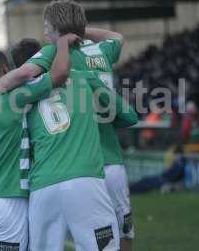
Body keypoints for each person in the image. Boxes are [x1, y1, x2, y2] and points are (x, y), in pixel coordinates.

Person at [0, 0, 135, 251]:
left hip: (42, 183)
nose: (45, 33)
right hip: (90, 171)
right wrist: (76, 33)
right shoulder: (92, 66)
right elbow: (129, 115)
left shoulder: (27, 86)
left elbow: (24, 75)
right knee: (112, 241)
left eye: (47, 27)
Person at [9, 34, 138, 250]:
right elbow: (130, 116)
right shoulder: (82, 77)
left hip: (42, 184)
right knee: (105, 243)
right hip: (85, 176)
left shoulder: (16, 96)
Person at [0, 42, 72, 251]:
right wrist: (62, 43)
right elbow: (59, 75)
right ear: (7, 70)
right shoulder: (14, 96)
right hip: (7, 200)